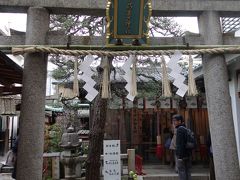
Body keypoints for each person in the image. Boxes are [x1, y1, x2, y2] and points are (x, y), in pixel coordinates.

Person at [172, 114, 191, 180]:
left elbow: (180, 144)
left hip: (181, 155)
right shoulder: (185, 128)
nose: (174, 123)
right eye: (173, 121)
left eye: (175, 121)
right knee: (187, 170)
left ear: (179, 121)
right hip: (187, 153)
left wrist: (180, 156)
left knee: (182, 171)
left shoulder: (179, 130)